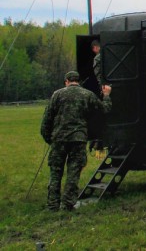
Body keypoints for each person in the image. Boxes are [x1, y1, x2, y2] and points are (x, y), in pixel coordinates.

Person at [40, 71, 112, 211]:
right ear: (78, 81)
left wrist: (49, 138)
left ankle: (52, 205)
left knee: (55, 172)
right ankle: (68, 204)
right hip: (78, 139)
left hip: (59, 139)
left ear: (66, 81)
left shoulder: (57, 95)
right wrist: (107, 95)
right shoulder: (87, 95)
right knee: (73, 173)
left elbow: (47, 120)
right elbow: (104, 109)